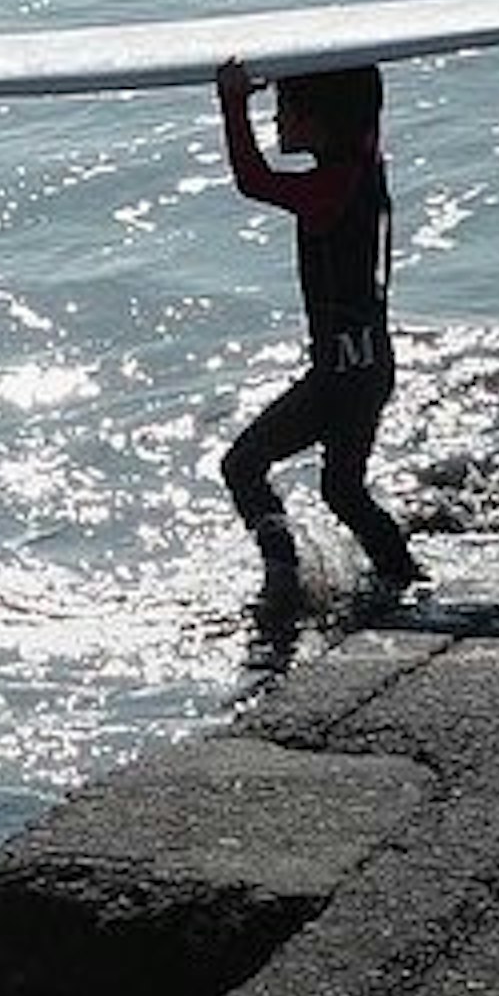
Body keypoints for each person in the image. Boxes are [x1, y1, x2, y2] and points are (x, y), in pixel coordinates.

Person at [213, 58, 421, 612]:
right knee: (343, 490)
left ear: (319, 121)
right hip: (370, 367)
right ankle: (405, 576)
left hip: (341, 379)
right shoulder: (365, 161)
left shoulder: (328, 188)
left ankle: (283, 576)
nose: (276, 120)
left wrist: (232, 101)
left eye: (284, 109)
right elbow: (365, 94)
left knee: (242, 466)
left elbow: (251, 180)